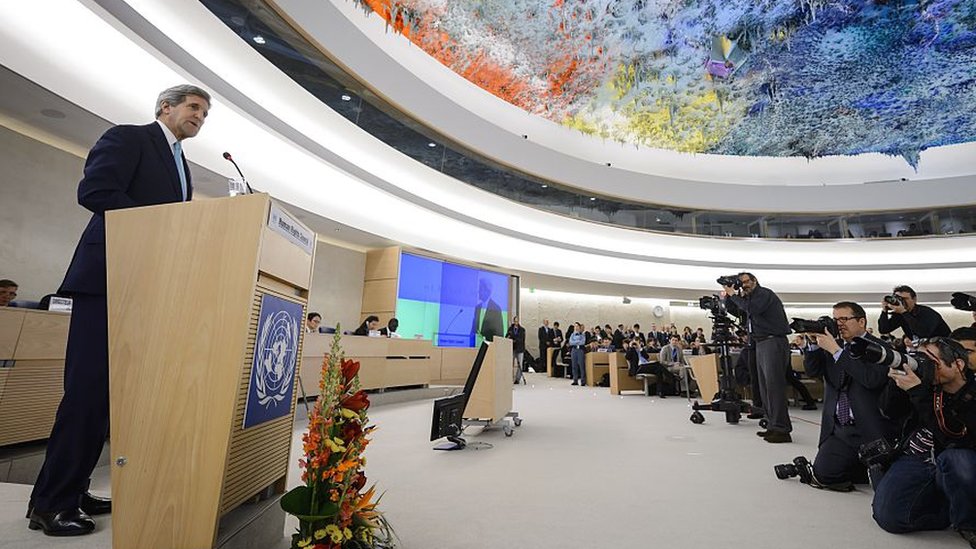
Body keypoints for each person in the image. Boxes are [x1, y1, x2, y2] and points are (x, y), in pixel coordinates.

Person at [28, 85, 211, 537]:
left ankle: (71, 488)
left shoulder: (182, 165)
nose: (200, 117)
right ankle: (52, 504)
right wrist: (157, 229)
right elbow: (95, 191)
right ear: (165, 107)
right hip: (106, 281)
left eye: (205, 114)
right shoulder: (130, 138)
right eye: (194, 107)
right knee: (87, 395)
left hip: (143, 287)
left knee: (110, 400)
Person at [871, 337, 976, 547]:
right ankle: (947, 511)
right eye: (920, 359)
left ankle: (968, 523)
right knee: (889, 517)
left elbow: (956, 436)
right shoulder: (925, 385)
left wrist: (918, 393)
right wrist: (896, 382)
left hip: (957, 457)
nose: (924, 366)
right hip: (918, 455)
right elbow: (889, 412)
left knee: (956, 460)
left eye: (931, 361)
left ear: (958, 365)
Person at [795, 302, 899, 489]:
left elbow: (871, 379)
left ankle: (867, 466)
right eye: (835, 320)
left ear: (861, 322)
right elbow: (813, 371)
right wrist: (813, 344)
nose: (839, 324)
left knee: (886, 487)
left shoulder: (881, 349)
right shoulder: (834, 346)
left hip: (871, 429)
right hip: (841, 429)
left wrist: (836, 351)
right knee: (824, 474)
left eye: (844, 319)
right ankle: (858, 466)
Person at [722, 272, 793, 443]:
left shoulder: (763, 294)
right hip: (760, 343)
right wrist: (728, 295)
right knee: (765, 388)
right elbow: (736, 311)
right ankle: (772, 425)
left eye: (746, 281)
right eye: (741, 283)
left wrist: (734, 295)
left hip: (773, 341)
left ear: (755, 281)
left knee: (774, 387)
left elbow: (752, 309)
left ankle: (782, 429)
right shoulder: (748, 299)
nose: (744, 285)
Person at [878, 285, 950, 340]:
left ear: (914, 299)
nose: (901, 301)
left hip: (945, 346)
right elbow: (884, 329)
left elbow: (922, 333)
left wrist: (904, 312)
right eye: (898, 299)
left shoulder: (927, 312)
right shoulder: (900, 315)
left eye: (905, 299)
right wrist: (884, 311)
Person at [473, 277, 503, 343]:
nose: (478, 291)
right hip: (476, 345)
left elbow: (499, 334)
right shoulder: (477, 307)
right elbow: (473, 329)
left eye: (480, 289)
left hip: (490, 346)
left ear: (487, 291)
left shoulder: (496, 308)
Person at [506, 316, 526, 384]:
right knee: (510, 363)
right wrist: (510, 338)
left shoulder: (522, 329)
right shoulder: (510, 329)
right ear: (513, 321)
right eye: (515, 321)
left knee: (520, 364)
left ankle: (517, 379)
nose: (516, 322)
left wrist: (514, 339)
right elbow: (507, 337)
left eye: (517, 321)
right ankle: (509, 377)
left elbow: (522, 339)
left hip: (520, 349)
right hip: (512, 348)